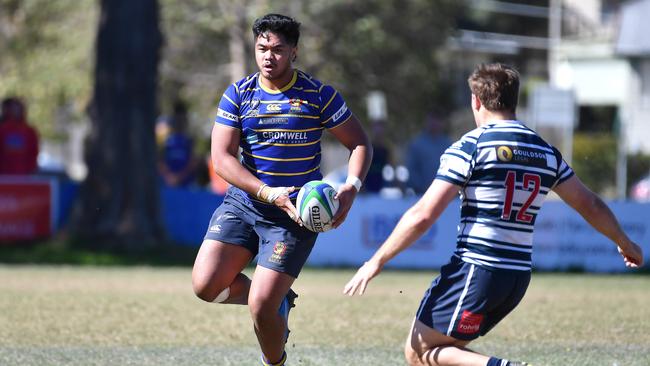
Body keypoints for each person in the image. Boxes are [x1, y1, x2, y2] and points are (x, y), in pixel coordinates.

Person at [343, 63, 644, 366]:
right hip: (516, 277)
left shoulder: (472, 147)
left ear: (476, 101)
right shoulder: (544, 151)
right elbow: (589, 203)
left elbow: (424, 214)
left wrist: (376, 261)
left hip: (478, 270)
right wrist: (624, 241)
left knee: (417, 351)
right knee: (434, 354)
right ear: (513, 100)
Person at [192, 14, 372, 366]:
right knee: (205, 286)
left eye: (277, 49)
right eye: (262, 49)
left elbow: (360, 143)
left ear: (294, 52)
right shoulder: (239, 94)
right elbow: (222, 158)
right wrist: (266, 192)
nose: (268, 57)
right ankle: (281, 299)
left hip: (294, 218)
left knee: (261, 307)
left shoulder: (318, 95)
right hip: (244, 204)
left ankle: (274, 360)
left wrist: (351, 186)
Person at [405, 112, 452, 194]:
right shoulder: (417, 144)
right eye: (432, 120)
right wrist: (421, 187)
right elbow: (411, 169)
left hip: (444, 194)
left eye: (438, 120)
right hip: (421, 194)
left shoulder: (448, 144)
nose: (435, 123)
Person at [157, 100, 198, 187]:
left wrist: (179, 177)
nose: (179, 122)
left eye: (182, 119)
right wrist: (168, 176)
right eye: (177, 119)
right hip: (167, 184)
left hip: (186, 186)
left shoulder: (189, 140)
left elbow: (193, 162)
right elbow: (160, 160)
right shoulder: (165, 139)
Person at [0, 97, 39, 175]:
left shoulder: (29, 131)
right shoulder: (2, 129)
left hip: (23, 176)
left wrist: (30, 170)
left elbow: (33, 153)